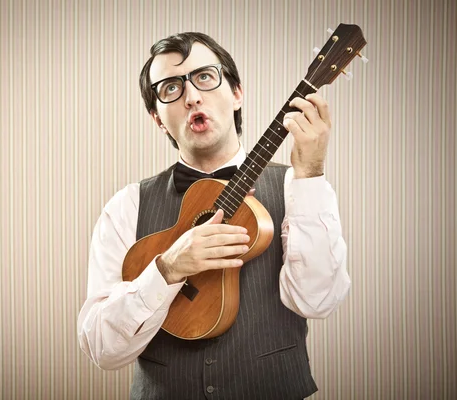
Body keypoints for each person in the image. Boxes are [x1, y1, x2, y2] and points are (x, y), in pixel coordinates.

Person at [77, 32, 350, 399]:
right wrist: (167, 269)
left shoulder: (299, 186)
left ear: (237, 93)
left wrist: (311, 174)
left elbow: (317, 302)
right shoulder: (128, 205)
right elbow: (102, 349)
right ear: (158, 118)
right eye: (170, 88)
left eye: (204, 77)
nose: (191, 97)